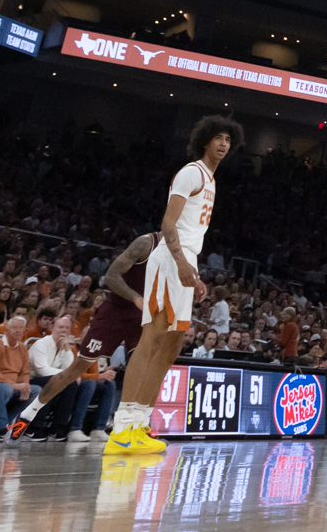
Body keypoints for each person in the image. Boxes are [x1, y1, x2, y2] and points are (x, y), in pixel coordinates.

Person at [105, 115, 242, 455]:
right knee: (151, 338)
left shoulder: (210, 179)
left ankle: (140, 423)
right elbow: (168, 221)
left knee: (173, 343)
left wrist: (193, 271)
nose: (223, 144)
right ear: (205, 141)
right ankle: (121, 427)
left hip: (187, 258)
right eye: (218, 138)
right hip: (169, 256)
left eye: (228, 139)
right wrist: (181, 263)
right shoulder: (192, 172)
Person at [10, 231, 156, 442]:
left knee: (145, 369)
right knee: (75, 370)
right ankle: (27, 415)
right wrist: (135, 297)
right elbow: (111, 277)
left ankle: (137, 426)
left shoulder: (182, 257)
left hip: (140, 317)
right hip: (115, 312)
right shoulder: (146, 243)